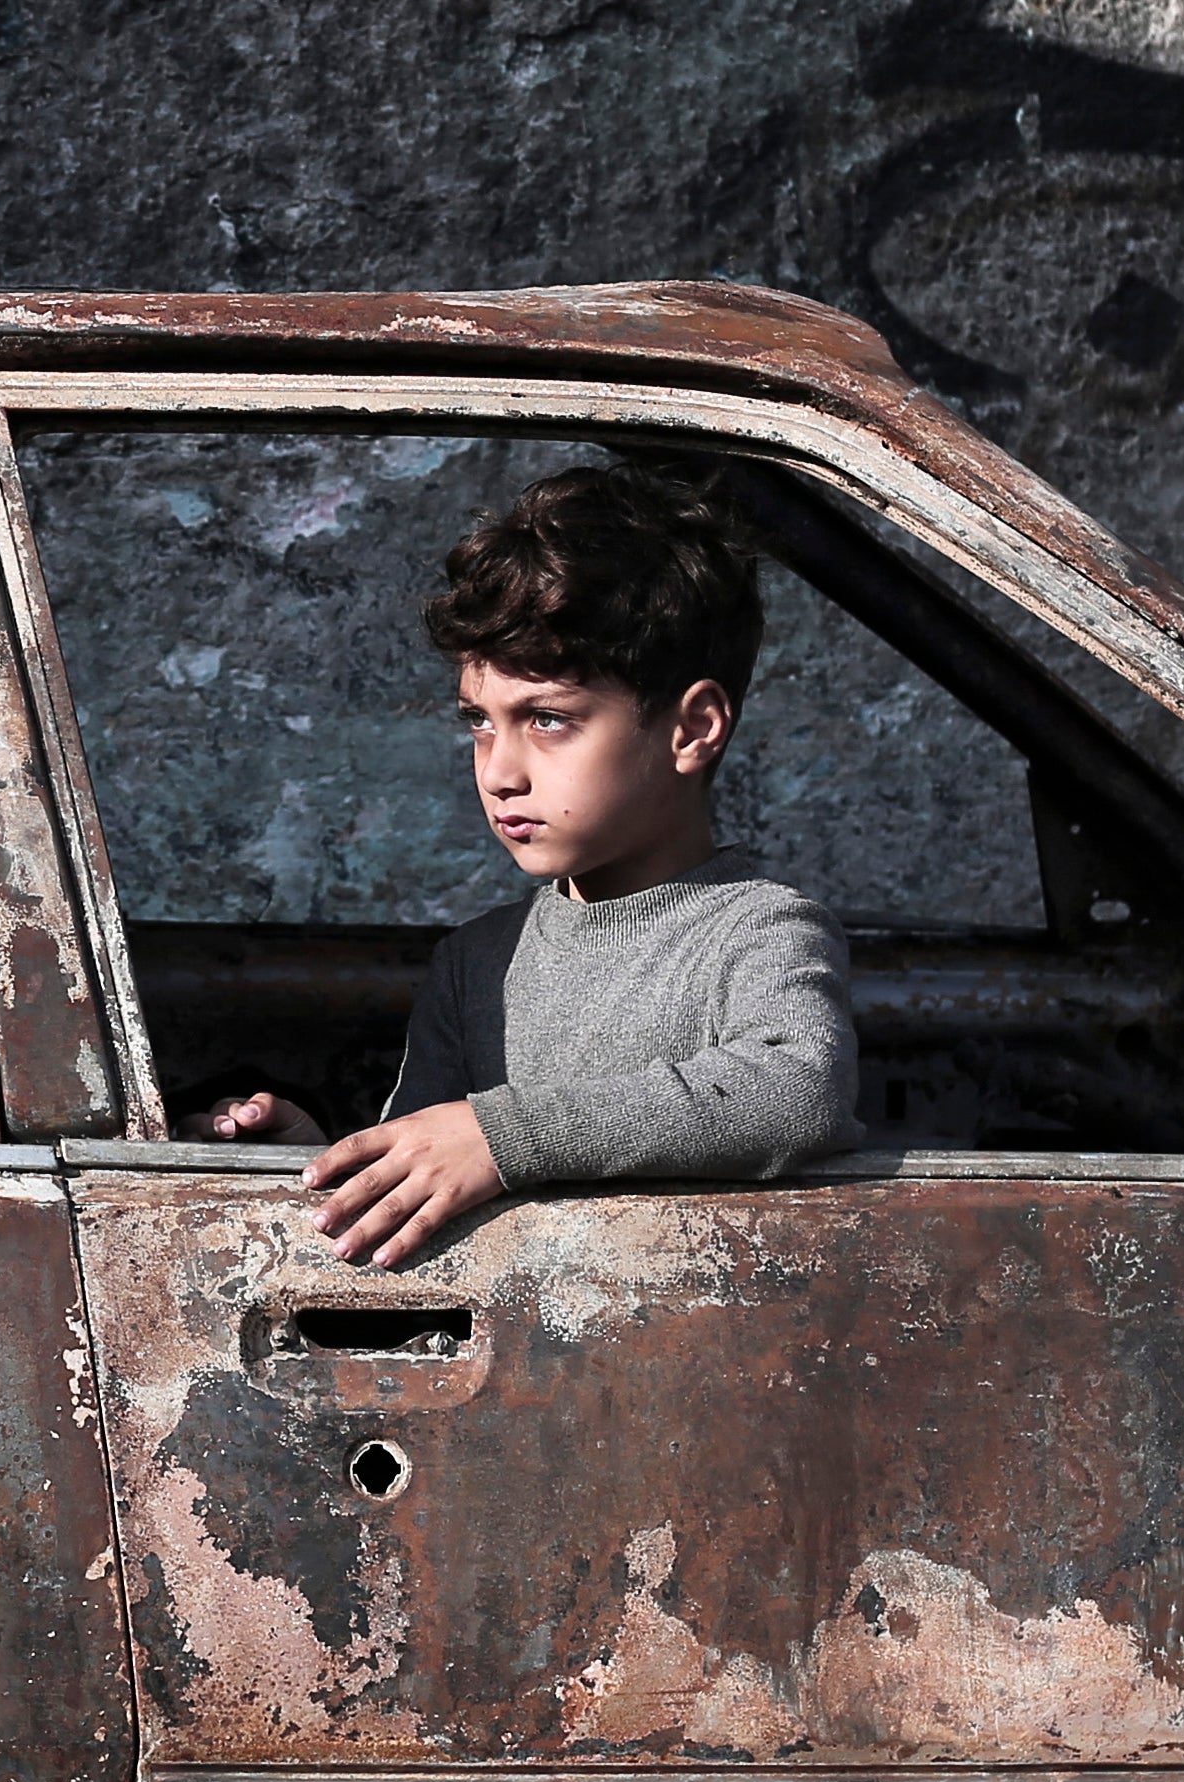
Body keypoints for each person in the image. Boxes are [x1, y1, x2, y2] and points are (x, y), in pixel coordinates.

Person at [200, 465, 858, 1265]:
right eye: (480, 723)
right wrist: (331, 1166)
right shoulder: (477, 963)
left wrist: (501, 1135)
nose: (499, 770)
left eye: (547, 719)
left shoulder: (756, 931)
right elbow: (436, 1172)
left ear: (692, 729)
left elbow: (793, 1090)